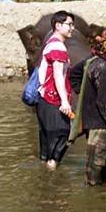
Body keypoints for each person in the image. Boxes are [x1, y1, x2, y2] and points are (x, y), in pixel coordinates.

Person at [69, 25, 106, 186]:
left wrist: (87, 97)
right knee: (96, 173)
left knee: (98, 168)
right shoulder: (103, 67)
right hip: (100, 126)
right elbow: (105, 101)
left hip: (92, 122)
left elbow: (73, 75)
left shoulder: (92, 60)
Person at [36, 10, 74, 170]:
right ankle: (52, 179)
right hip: (53, 101)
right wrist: (65, 102)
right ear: (58, 26)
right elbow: (58, 76)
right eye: (69, 24)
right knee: (62, 136)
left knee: (47, 144)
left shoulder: (50, 43)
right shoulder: (58, 46)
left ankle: (46, 181)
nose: (72, 28)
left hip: (43, 100)